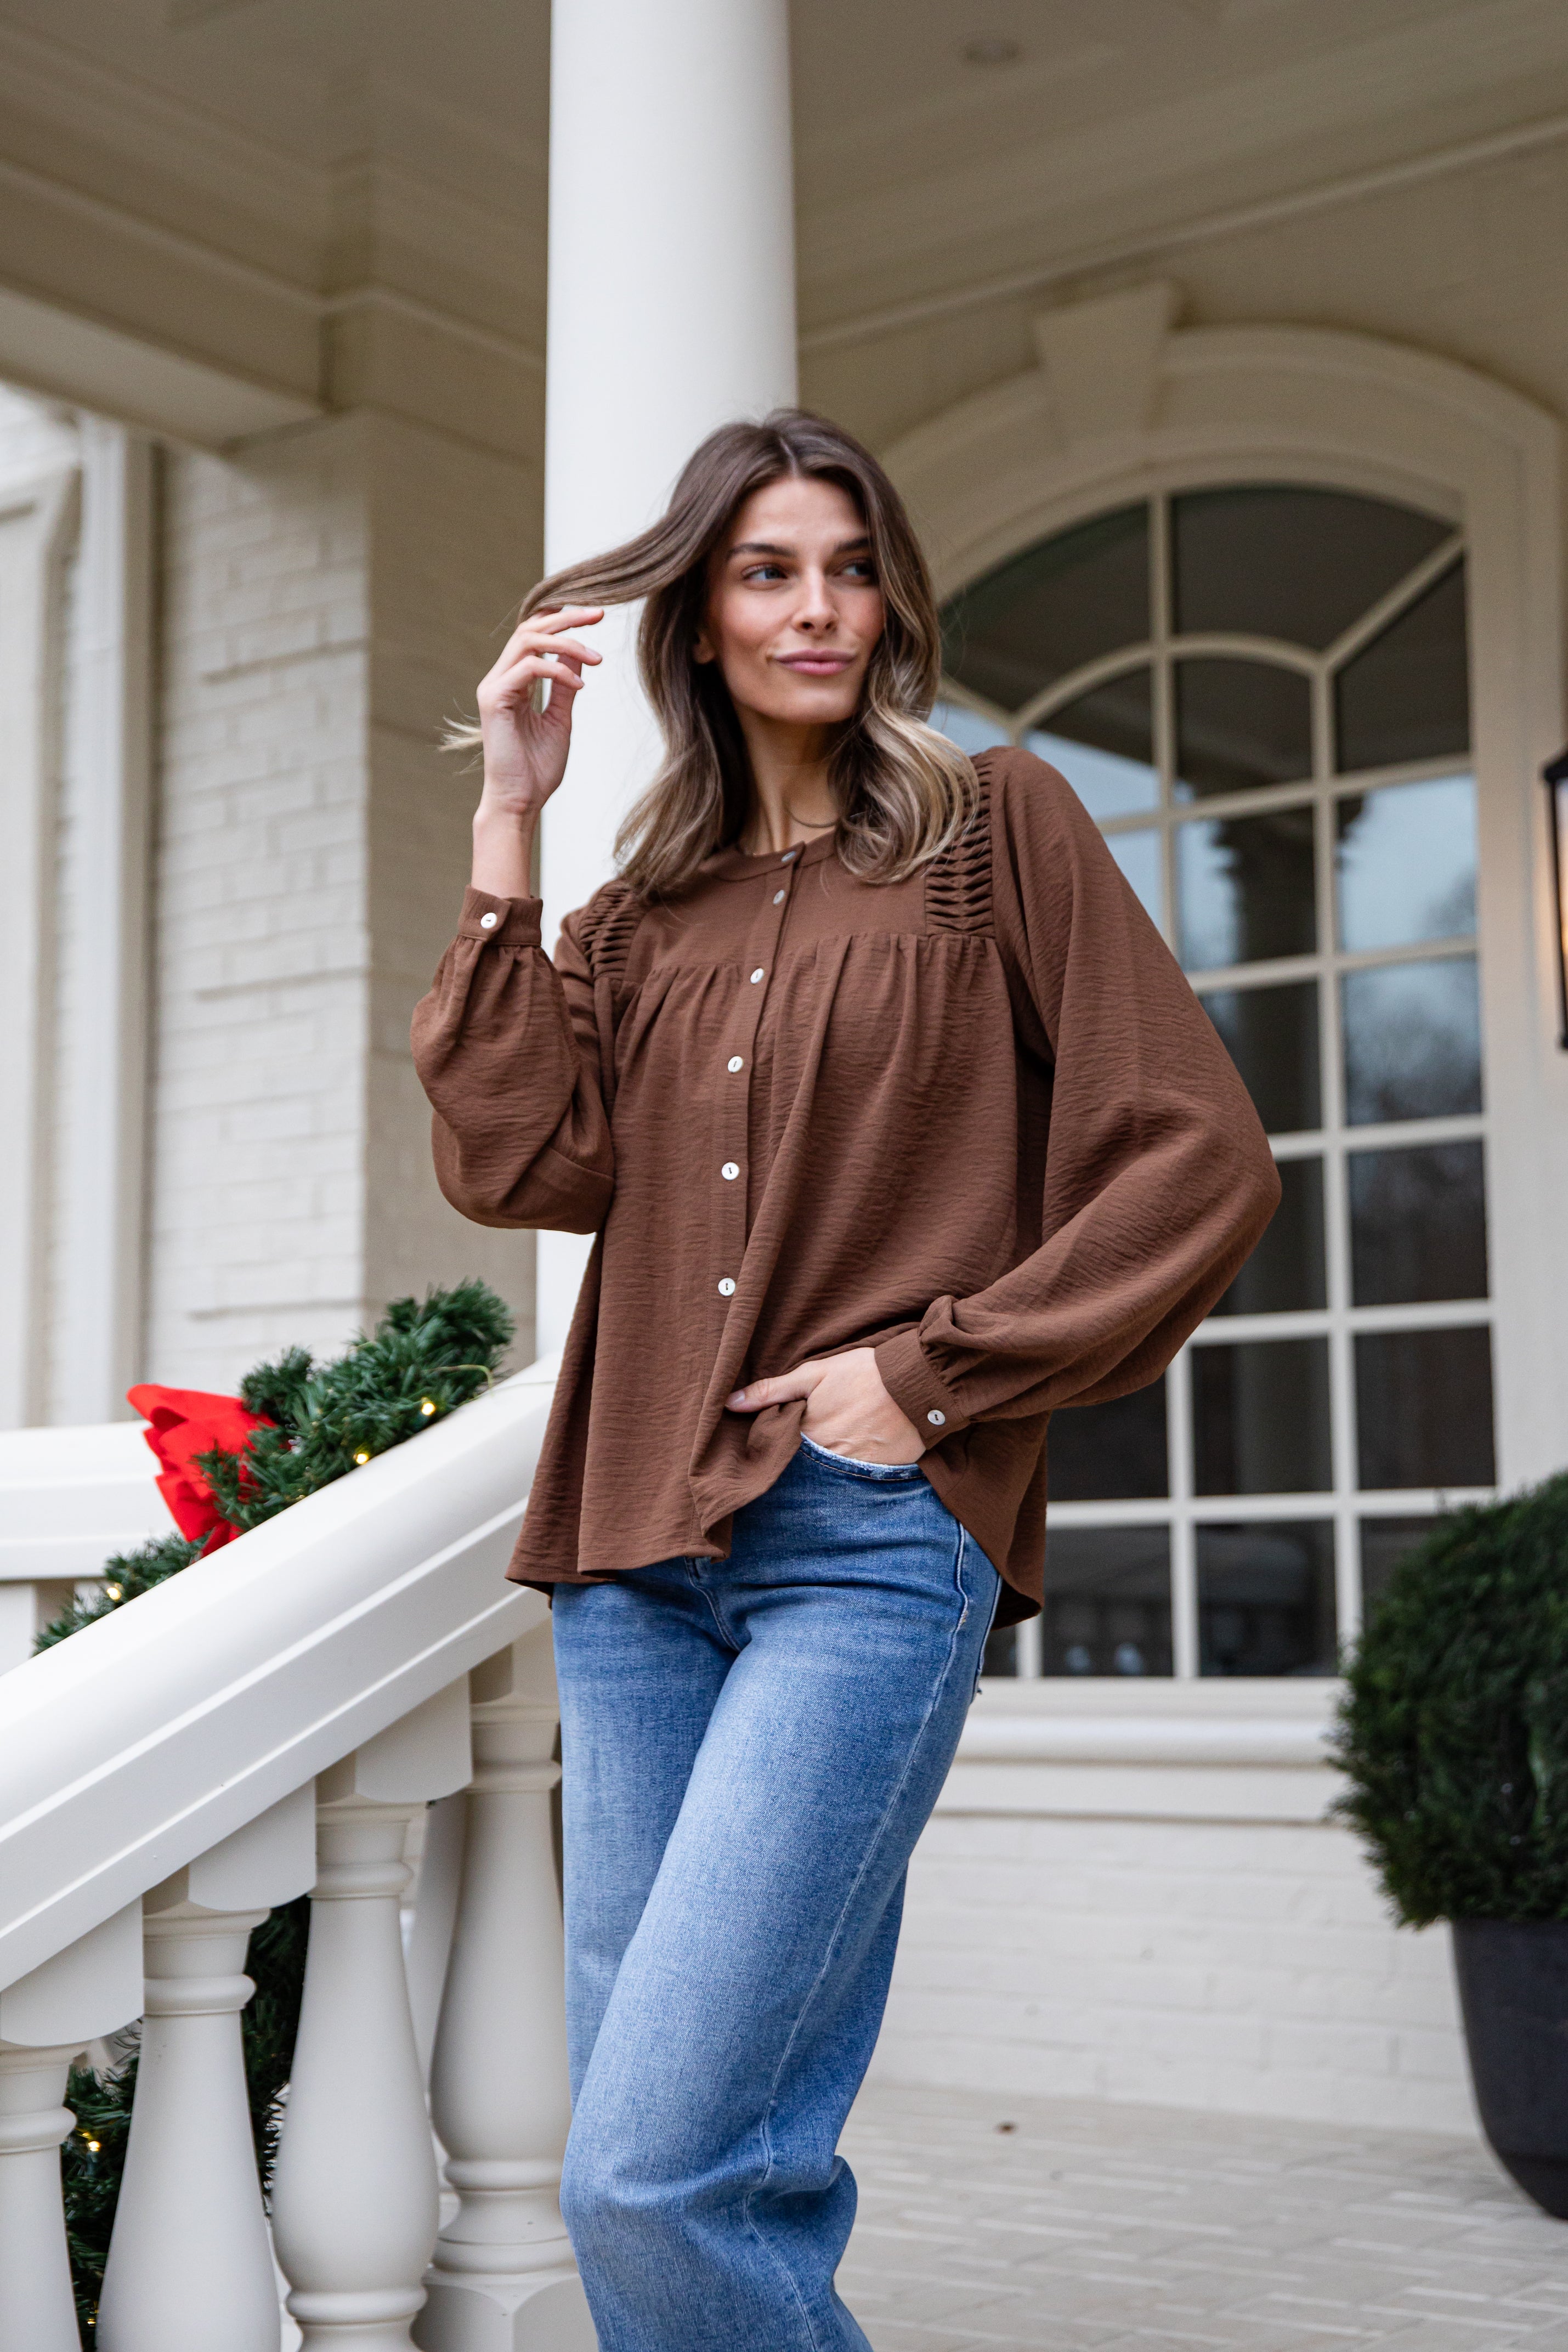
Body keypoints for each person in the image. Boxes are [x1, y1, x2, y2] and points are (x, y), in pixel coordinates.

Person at [412, 409, 1279, 2351]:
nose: (817, 607)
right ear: (699, 620)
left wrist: (935, 1373)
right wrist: (510, 826)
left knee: (648, 2169)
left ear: (893, 603)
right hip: (633, 1560)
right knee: (716, 2165)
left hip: (864, 1542)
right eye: (765, 570)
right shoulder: (637, 917)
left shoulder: (997, 827)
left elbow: (1195, 1158)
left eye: (850, 565)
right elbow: (511, 1164)